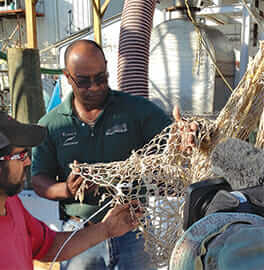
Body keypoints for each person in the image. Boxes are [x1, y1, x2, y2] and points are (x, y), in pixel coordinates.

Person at [0, 109, 139, 270]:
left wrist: (107, 229)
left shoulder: (8, 203)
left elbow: (49, 245)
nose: (27, 162)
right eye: (21, 155)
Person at [31, 39, 175, 270]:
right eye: (84, 82)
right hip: (80, 235)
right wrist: (67, 190)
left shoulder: (136, 111)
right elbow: (38, 180)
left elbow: (173, 140)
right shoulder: (52, 125)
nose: (95, 87)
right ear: (67, 77)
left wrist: (186, 135)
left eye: (101, 78)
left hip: (133, 230)